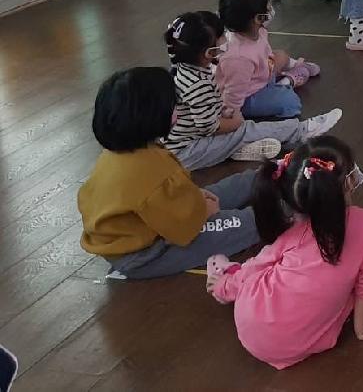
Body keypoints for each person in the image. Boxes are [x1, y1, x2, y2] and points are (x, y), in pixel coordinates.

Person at [206, 136, 363, 370]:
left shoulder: (295, 225)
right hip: (302, 342)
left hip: (252, 332)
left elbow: (258, 265)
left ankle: (226, 276)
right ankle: (228, 276)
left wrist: (224, 286)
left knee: (257, 268)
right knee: (348, 289)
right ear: (347, 184)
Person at [77, 67, 260, 280]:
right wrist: (203, 212)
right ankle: (289, 207)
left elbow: (166, 199)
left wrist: (197, 203)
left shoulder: (121, 152)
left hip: (151, 228)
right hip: (147, 255)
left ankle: (269, 176)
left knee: (229, 188)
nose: (178, 112)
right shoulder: (150, 170)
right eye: (173, 107)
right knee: (250, 222)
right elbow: (184, 228)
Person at [163, 12, 341, 170]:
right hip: (186, 152)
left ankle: (238, 150)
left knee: (239, 132)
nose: (226, 40)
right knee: (244, 131)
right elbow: (210, 127)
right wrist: (236, 121)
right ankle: (301, 131)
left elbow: (209, 108)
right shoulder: (198, 84)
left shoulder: (185, 67)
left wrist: (227, 112)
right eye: (221, 38)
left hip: (182, 141)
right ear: (209, 52)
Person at [216, 0, 319, 120]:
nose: (271, 9)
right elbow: (233, 94)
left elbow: (265, 55)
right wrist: (231, 116)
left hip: (262, 75)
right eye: (268, 7)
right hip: (249, 97)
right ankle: (288, 82)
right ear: (258, 18)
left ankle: (287, 77)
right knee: (290, 101)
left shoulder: (258, 30)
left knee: (281, 55)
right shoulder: (238, 58)